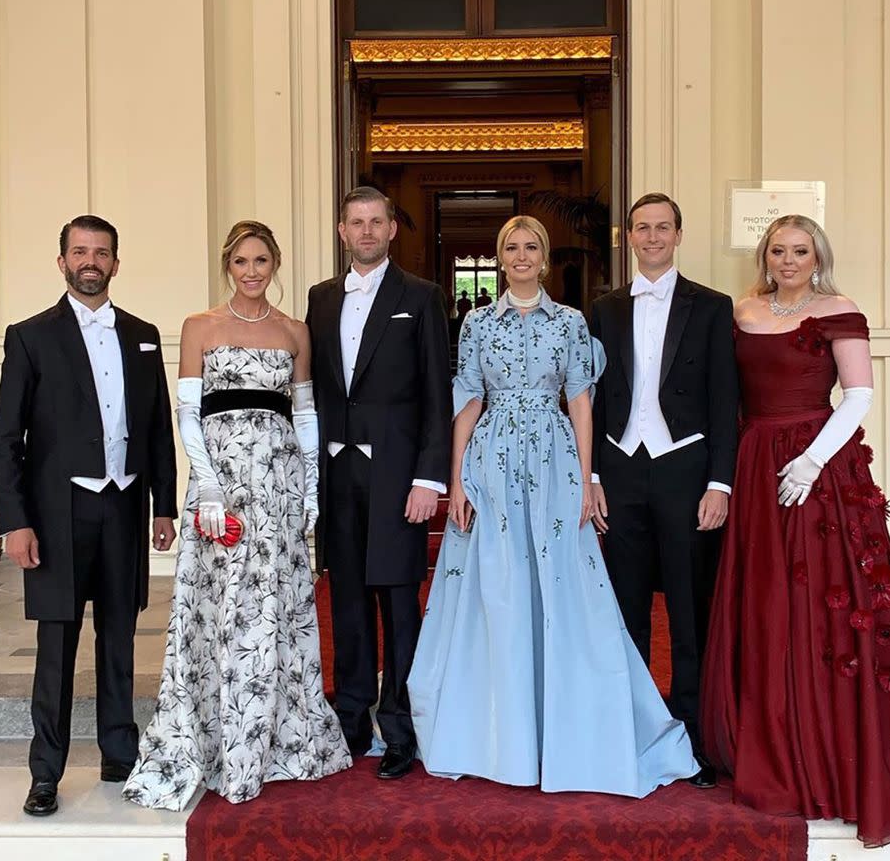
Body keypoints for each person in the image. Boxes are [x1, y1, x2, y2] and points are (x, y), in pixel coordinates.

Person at [407, 215, 696, 794]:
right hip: (490, 462)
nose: (520, 255)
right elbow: (467, 401)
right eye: (509, 246)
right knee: (497, 588)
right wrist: (457, 481)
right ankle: (498, 734)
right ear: (499, 256)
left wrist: (588, 477)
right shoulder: (476, 325)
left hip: (555, 460)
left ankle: (568, 730)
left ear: (543, 258)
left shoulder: (570, 322)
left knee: (564, 585)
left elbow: (582, 401)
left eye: (530, 247)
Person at [123, 221, 350, 810]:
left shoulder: (295, 331)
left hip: (279, 486)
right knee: (220, 610)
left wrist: (312, 491)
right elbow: (188, 416)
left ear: (276, 264)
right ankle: (219, 739)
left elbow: (304, 416)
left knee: (277, 607)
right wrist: (207, 490)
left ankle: (277, 738)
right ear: (228, 265)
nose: (252, 271)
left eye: (262, 261)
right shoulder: (200, 326)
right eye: (242, 262)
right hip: (221, 487)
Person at [701, 215, 890, 846]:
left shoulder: (838, 308)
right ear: (765, 255)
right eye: (778, 250)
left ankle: (829, 755)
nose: (788, 260)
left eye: (800, 251)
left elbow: (860, 395)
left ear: (818, 256)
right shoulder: (743, 311)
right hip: (755, 459)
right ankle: (772, 745)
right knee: (766, 603)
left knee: (819, 609)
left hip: (817, 469)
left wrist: (814, 460)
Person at [0, 215, 178, 818]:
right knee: (57, 645)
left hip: (124, 504)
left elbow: (156, 430)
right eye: (80, 252)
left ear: (116, 263)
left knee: (120, 636)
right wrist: (14, 520)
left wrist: (164, 506)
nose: (90, 261)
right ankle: (45, 771)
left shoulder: (144, 334)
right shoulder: (30, 336)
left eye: (101, 252)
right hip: (56, 513)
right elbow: (5, 438)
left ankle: (121, 755)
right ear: (63, 261)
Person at [590, 193, 739, 789]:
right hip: (620, 469)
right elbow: (591, 396)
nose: (652, 237)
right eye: (642, 228)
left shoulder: (711, 306)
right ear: (628, 237)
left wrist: (720, 482)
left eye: (663, 227)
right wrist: (594, 476)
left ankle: (692, 735)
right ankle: (629, 728)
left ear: (678, 234)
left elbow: (727, 401)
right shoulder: (602, 309)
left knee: (688, 609)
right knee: (623, 610)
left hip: (685, 469)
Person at [306, 186, 451, 780]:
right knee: (345, 601)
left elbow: (438, 394)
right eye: (356, 222)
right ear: (342, 231)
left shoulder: (421, 297)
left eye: (376, 222)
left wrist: (429, 478)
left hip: (397, 474)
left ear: (392, 230)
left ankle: (401, 728)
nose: (366, 232)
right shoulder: (318, 299)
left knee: (398, 603)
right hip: (336, 471)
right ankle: (350, 719)